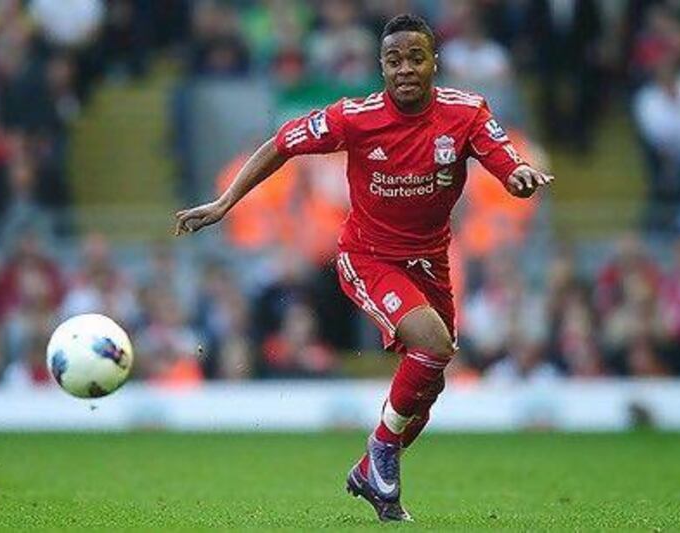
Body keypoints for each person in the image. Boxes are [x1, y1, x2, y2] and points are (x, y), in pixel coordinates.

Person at [174, 14, 554, 522]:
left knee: (430, 385)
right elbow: (281, 144)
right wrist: (225, 202)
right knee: (434, 346)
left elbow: (503, 157)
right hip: (368, 257)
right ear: (381, 66)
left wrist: (519, 176)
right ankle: (380, 449)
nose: (405, 69)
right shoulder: (355, 117)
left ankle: (368, 470)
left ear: (433, 62)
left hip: (431, 261)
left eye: (415, 58)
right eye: (394, 60)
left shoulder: (466, 113)